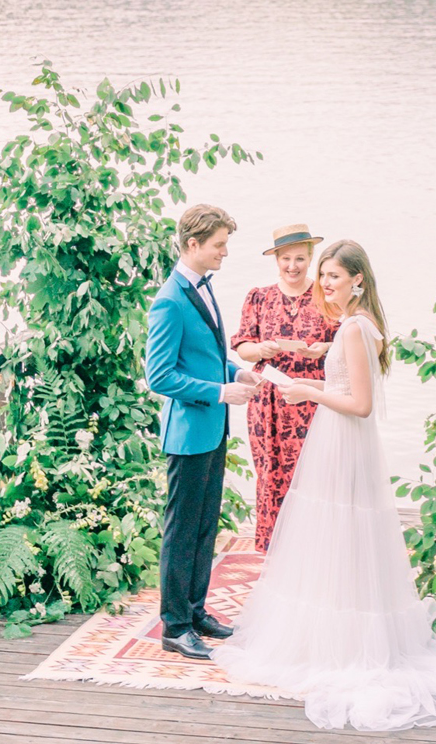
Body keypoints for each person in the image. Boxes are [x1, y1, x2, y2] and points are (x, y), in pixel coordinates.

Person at [217, 240, 436, 730]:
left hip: (343, 438)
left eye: (334, 276)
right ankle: (332, 633)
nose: (324, 284)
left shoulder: (357, 328)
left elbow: (358, 404)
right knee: (334, 535)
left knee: (339, 531)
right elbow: (343, 390)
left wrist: (308, 393)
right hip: (336, 436)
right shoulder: (353, 325)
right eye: (323, 277)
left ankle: (343, 646)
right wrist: (307, 388)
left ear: (359, 279)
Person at [144, 203, 261, 662]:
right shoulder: (169, 300)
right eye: (219, 244)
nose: (225, 252)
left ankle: (195, 611)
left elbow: (208, 353)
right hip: (189, 431)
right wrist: (219, 391)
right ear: (193, 245)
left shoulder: (204, 288)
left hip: (212, 428)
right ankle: (173, 626)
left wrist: (238, 371)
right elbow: (160, 377)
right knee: (182, 531)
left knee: (205, 526)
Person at [229, 223, 335, 551]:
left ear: (311, 258)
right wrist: (261, 350)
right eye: (286, 258)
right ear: (276, 259)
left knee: (312, 474)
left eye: (300, 258)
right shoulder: (259, 296)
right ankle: (274, 549)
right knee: (269, 474)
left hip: (311, 398)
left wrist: (322, 348)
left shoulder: (326, 294)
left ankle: (313, 546)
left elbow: (347, 341)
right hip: (268, 401)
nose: (293, 266)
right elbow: (242, 346)